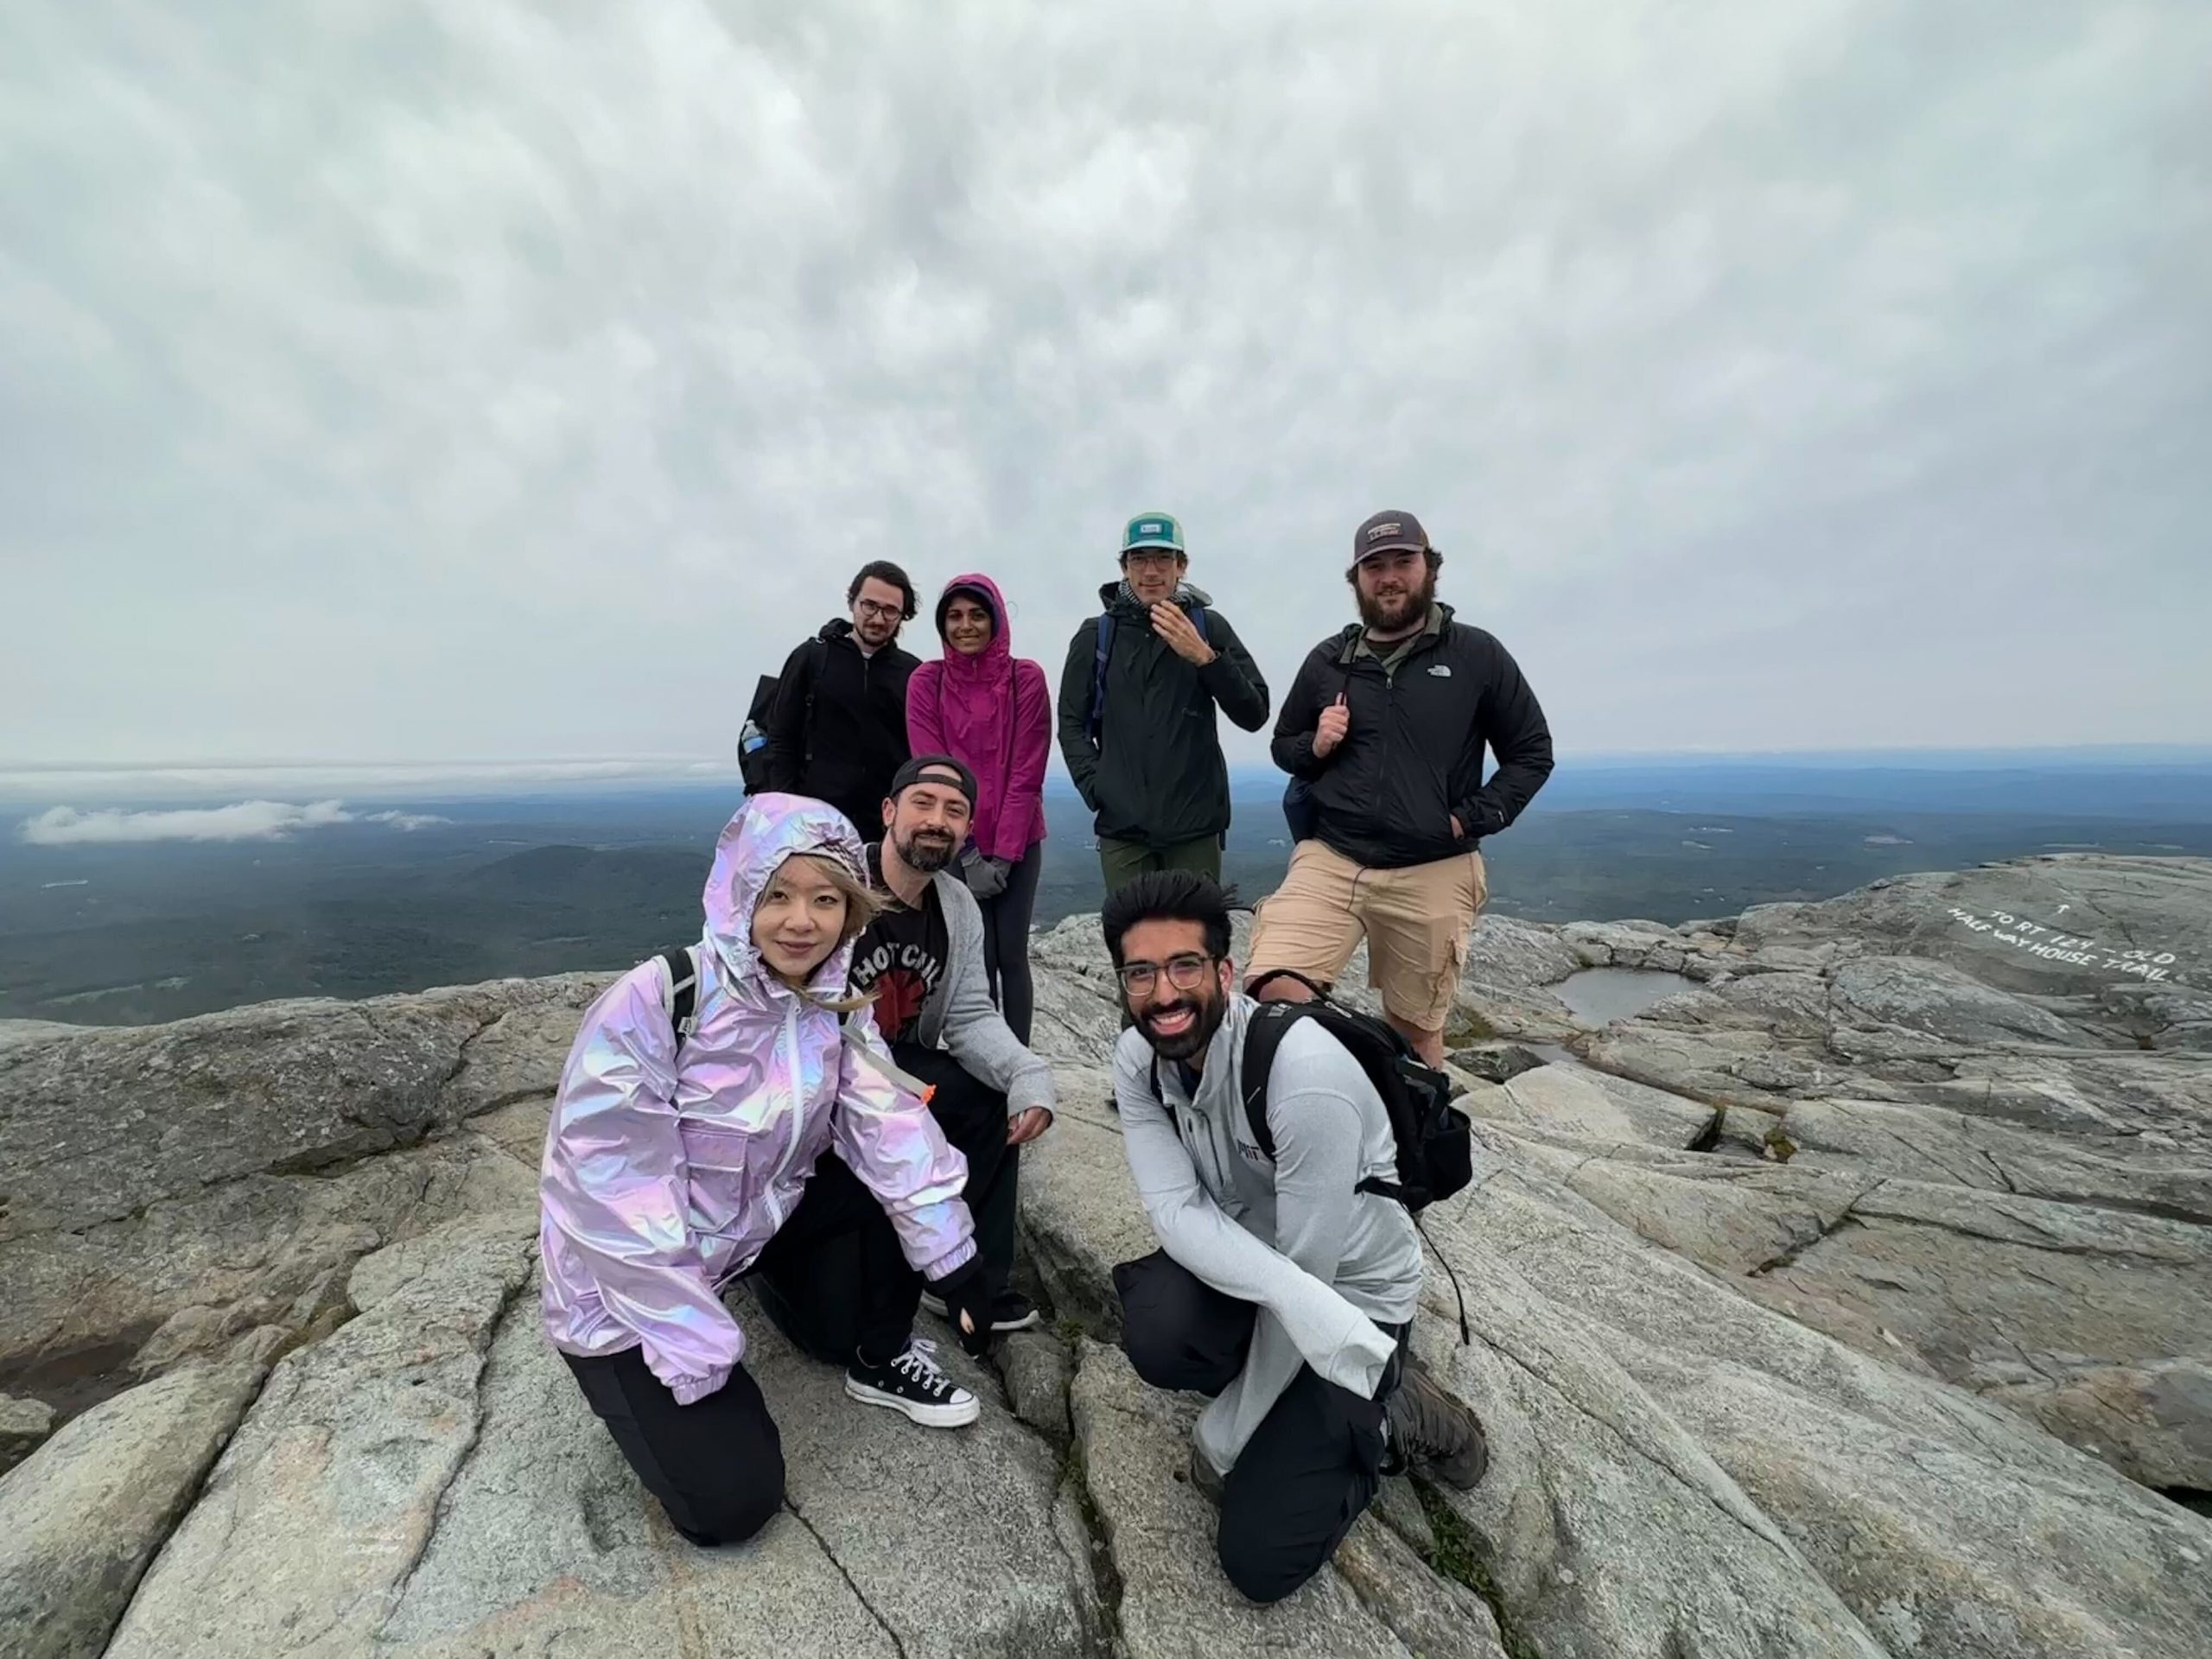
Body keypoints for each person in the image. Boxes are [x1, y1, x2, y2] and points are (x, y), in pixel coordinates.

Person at [539, 794, 996, 1548]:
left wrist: (954, 1261)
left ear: (850, 912)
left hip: (745, 1227)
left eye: (825, 900)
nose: (801, 922)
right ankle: (660, 1366)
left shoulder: (827, 1002)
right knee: (733, 1504)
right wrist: (700, 1349)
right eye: (778, 895)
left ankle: (871, 1347)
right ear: (739, 894)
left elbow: (887, 1123)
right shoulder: (661, 1001)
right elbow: (613, 1201)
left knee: (902, 1161)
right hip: (619, 1290)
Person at [1102, 870, 1485, 1605]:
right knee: (1158, 1326)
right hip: (1281, 1282)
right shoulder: (1139, 1062)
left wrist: (1228, 1430)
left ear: (1226, 971)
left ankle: (1397, 1408)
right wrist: (1281, 1326)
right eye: (1141, 974)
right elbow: (1176, 1212)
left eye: (1185, 966)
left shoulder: (1302, 1074)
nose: (1164, 994)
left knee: (1258, 1559)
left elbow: (1311, 1278)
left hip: (1352, 1297)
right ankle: (1310, 1400)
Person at [757, 755, 1058, 1347]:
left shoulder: (957, 906)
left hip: (897, 1069)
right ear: (889, 811)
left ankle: (971, 1276)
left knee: (995, 1100)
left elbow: (969, 1015)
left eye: (954, 811)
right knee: (832, 1330)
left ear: (967, 831)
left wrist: (1026, 1071)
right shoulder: (836, 887)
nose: (937, 821)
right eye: (923, 803)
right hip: (823, 1083)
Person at [1249, 511, 1554, 1067]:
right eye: (1375, 566)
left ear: (1429, 568)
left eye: (1403, 562)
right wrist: (1314, 746)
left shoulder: (1475, 655)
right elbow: (1283, 745)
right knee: (1272, 996)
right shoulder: (1328, 660)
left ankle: (1417, 1143)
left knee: (1415, 1033)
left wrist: (1466, 819)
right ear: (1357, 580)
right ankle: (1321, 1103)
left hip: (1433, 865)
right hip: (1332, 857)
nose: (1389, 577)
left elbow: (1531, 753)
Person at [1057, 512, 1268, 892]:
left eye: (1162, 558)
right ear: (1124, 567)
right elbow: (1071, 723)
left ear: (1181, 566)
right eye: (1139, 559)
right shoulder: (1097, 635)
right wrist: (1098, 787)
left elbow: (1254, 713)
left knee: (1194, 942)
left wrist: (1205, 658)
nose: (1151, 571)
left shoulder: (1209, 627)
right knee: (1131, 940)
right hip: (1123, 829)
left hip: (1196, 826)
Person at [905, 575, 1052, 1044]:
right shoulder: (927, 682)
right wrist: (968, 855)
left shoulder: (1024, 678)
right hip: (951, 843)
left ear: (996, 619)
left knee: (1011, 955)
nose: (965, 626)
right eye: (954, 616)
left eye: (977, 614)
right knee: (974, 959)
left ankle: (1018, 1068)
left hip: (1019, 842)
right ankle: (982, 1064)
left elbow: (1027, 772)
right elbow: (934, 772)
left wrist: (1004, 856)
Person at [761, 562, 921, 835]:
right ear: (852, 602)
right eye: (869, 605)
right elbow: (782, 738)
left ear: (902, 615)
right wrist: (786, 810)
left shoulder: (914, 674)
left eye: (891, 611)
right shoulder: (811, 658)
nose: (878, 618)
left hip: (886, 829)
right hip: (812, 823)